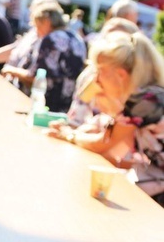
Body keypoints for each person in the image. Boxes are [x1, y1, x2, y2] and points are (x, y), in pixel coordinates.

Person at [47, 31, 164, 206]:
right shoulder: (145, 97)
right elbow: (113, 152)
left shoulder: (144, 101)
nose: (96, 79)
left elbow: (106, 144)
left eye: (100, 71)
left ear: (121, 75)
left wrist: (68, 135)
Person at [1, 1, 86, 113]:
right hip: (67, 103)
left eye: (37, 26)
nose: (37, 32)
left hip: (47, 104)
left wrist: (11, 70)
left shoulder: (51, 39)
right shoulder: (76, 37)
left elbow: (35, 77)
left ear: (45, 22)